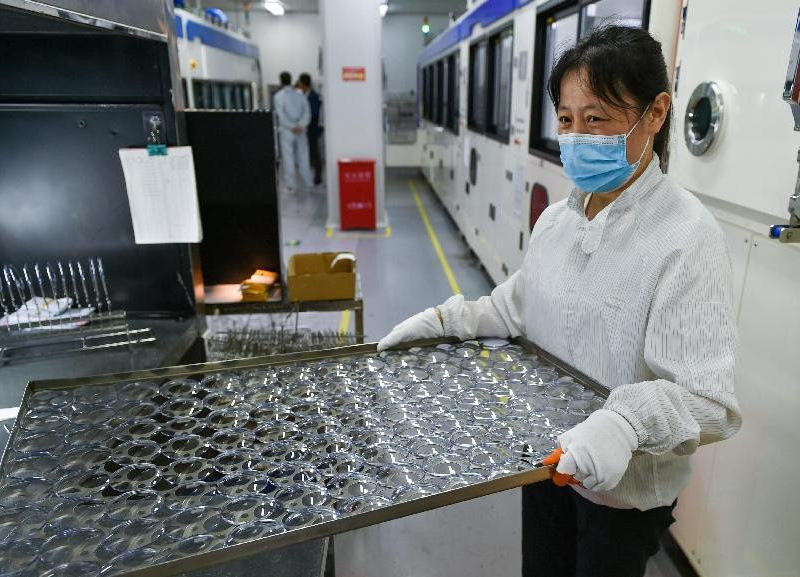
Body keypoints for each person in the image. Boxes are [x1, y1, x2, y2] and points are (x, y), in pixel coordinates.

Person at [378, 25, 741, 577]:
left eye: (596, 119)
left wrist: (624, 424)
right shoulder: (558, 219)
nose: (577, 136)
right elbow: (517, 307)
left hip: (622, 495)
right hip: (544, 460)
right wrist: (448, 320)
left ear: (657, 113)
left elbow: (709, 401)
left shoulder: (687, 237)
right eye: (567, 120)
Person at [273, 71, 312, 193]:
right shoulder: (300, 95)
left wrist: (291, 126)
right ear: (291, 80)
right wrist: (301, 125)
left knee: (288, 158)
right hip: (301, 130)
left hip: (287, 131)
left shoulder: (278, 96)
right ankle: (308, 182)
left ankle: (291, 186)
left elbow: (281, 115)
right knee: (303, 156)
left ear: (280, 81)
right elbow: (307, 112)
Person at [297, 72, 324, 185]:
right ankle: (313, 174)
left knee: (315, 153)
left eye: (300, 83)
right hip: (308, 130)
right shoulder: (305, 95)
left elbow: (314, 113)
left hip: (313, 130)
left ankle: (318, 177)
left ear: (304, 84)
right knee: (311, 153)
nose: (299, 86)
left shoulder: (313, 96)